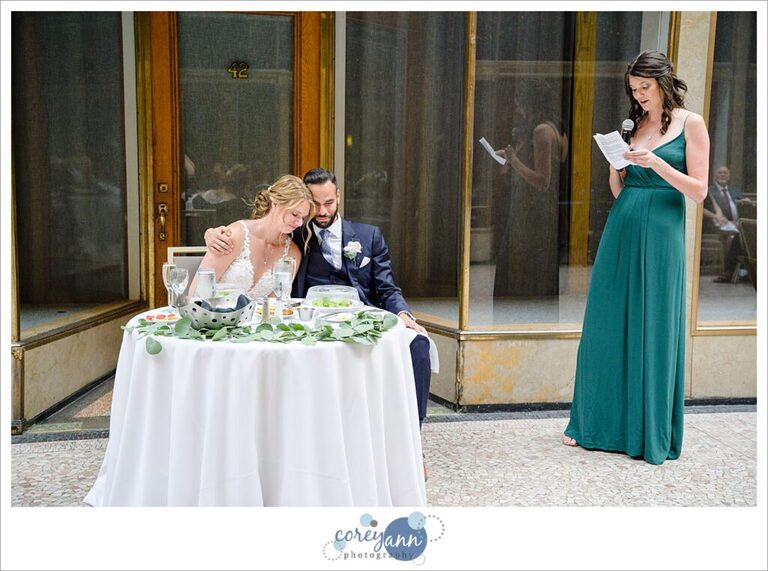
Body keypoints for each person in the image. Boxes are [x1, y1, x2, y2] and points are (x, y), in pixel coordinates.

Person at [561, 50, 710, 464]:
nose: (639, 96)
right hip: (622, 225)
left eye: (645, 88)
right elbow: (620, 191)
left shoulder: (690, 123)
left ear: (664, 82)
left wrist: (657, 164)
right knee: (606, 323)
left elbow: (699, 191)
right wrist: (616, 167)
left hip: (662, 232)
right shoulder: (635, 124)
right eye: (633, 89)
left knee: (653, 324)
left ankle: (645, 430)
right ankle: (593, 422)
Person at [205, 168, 433, 432]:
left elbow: (387, 288)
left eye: (329, 203)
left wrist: (404, 314)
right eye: (314, 205)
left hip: (364, 319)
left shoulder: (369, 236)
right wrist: (211, 233)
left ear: (338, 196)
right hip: (314, 326)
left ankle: (414, 438)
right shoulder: (296, 235)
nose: (322, 212)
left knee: (418, 343)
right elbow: (255, 233)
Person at [493, 79, 568, 297]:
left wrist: (514, 161)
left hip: (533, 211)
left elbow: (543, 182)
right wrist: (509, 160)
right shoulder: (545, 128)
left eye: (519, 102)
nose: (517, 107)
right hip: (530, 208)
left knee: (521, 261)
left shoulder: (543, 131)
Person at [190, 174, 313, 299]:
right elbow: (196, 294)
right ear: (275, 203)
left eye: (303, 217)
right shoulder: (234, 236)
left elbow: (277, 305)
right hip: (215, 316)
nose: (299, 223)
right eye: (294, 214)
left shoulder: (292, 254)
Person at [702, 165, 743, 282]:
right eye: (720, 173)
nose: (723, 175)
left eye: (725, 173)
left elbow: (740, 206)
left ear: (729, 176)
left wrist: (744, 202)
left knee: (744, 236)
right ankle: (730, 271)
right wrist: (717, 217)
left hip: (736, 224)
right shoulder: (709, 190)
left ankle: (741, 270)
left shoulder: (735, 191)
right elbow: (701, 209)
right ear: (715, 176)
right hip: (715, 224)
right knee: (734, 237)